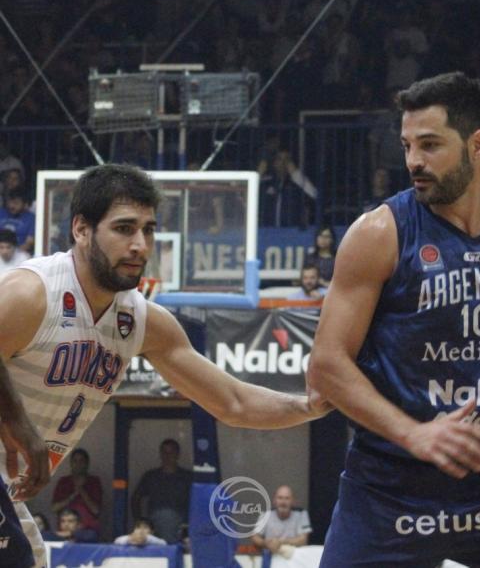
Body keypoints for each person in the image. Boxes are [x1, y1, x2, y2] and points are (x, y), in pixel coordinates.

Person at [307, 72, 480, 567]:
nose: (413, 161)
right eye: (407, 146)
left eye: (430, 144)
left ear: (477, 144)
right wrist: (413, 433)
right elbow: (327, 365)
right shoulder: (379, 233)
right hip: (388, 489)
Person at [0, 163, 328, 568]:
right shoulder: (32, 292)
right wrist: (20, 425)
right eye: (124, 228)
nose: (140, 245)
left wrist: (310, 405)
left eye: (149, 230)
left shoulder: (143, 321)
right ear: (81, 229)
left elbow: (234, 403)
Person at [131, 439, 192, 543]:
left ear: (178, 454)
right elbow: (135, 498)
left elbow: (198, 503)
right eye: (164, 452)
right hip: (155, 532)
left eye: (171, 452)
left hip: (182, 531)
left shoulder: (187, 477)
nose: (167, 456)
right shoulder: (151, 476)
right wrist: (140, 523)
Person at [51, 448, 102, 539]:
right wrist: (73, 495)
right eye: (75, 461)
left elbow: (96, 510)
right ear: (71, 463)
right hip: (64, 530)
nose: (78, 464)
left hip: (87, 531)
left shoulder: (94, 482)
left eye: (81, 461)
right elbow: (54, 508)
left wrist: (81, 490)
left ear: (87, 463)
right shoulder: (63, 482)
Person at [251, 485, 312, 557]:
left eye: (287, 498)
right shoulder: (265, 515)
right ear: (274, 500)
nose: (283, 502)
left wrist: (280, 542)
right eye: (280, 498)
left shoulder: (301, 514)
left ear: (293, 501)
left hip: (294, 558)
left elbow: (303, 540)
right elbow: (254, 537)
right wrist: (266, 543)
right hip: (270, 556)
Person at [0, 188, 35, 254]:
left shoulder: (30, 218)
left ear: (24, 204)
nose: (12, 206)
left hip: (20, 254)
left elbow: (29, 242)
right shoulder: (1, 213)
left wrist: (13, 255)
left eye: (16, 203)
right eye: (10, 202)